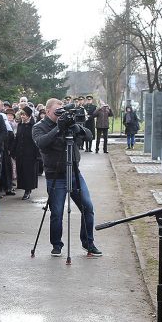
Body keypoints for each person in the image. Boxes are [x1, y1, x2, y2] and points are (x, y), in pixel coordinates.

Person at [32, 98, 101, 257]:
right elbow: (41, 143)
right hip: (55, 175)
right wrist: (58, 128)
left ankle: (88, 243)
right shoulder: (39, 127)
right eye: (57, 112)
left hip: (74, 173)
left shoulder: (69, 124)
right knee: (57, 212)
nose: (60, 115)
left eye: (62, 111)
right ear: (48, 111)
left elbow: (89, 136)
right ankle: (57, 245)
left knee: (88, 207)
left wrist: (76, 127)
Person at [13, 109, 39, 200]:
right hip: (20, 152)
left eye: (24, 115)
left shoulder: (34, 126)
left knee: (28, 172)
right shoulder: (20, 125)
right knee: (21, 171)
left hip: (30, 153)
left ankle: (28, 190)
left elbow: (36, 140)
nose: (22, 117)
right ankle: (24, 187)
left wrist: (37, 154)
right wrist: (13, 151)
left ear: (29, 115)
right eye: (21, 115)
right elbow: (17, 139)